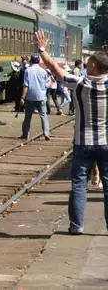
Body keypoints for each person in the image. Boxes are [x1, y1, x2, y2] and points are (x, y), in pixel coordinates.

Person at [34, 31, 108, 235]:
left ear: (94, 66)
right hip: (106, 143)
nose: (87, 63)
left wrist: (42, 49)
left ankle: (77, 226)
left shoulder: (80, 84)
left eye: (90, 61)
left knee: (78, 184)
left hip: (82, 142)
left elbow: (55, 69)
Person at [19, 55, 50, 141]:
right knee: (43, 116)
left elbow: (25, 86)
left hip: (30, 97)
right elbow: (47, 84)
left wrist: (22, 98)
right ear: (38, 61)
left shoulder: (27, 71)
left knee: (27, 117)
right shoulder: (43, 71)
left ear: (30, 61)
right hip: (42, 97)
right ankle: (46, 133)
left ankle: (25, 134)